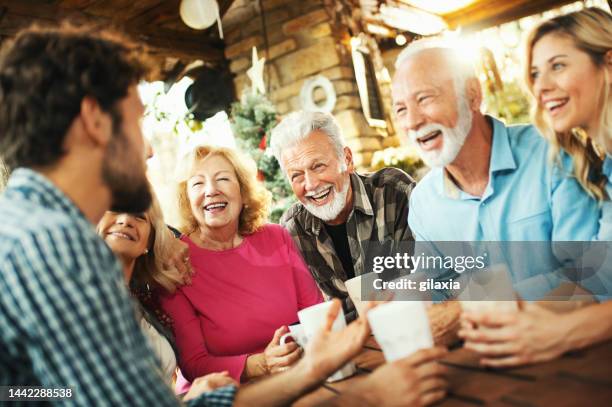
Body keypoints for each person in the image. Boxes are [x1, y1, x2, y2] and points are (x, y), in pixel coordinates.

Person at [0, 22, 448, 407]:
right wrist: (368, 397)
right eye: (136, 121)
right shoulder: (54, 245)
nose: (151, 148)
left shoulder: (27, 228)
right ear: (94, 121)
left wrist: (313, 369)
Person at [459, 7, 612, 367]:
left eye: (557, 65)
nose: (541, 87)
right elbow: (602, 278)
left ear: (608, 63)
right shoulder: (604, 166)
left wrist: (565, 331)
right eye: (535, 73)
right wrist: (510, 315)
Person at [391, 37, 600, 299]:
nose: (412, 121)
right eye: (400, 109)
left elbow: (590, 274)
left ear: (473, 95)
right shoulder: (423, 202)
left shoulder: (552, 153)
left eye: (424, 98)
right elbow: (438, 288)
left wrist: (479, 303)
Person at [161, 145, 324, 387]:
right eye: (197, 184)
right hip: (227, 393)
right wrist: (261, 364)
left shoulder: (276, 237)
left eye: (223, 179)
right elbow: (194, 363)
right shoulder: (177, 261)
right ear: (187, 198)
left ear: (243, 190)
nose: (211, 190)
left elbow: (315, 313)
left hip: (294, 377)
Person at [270, 110, 415, 319]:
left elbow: (427, 279)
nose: (310, 185)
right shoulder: (292, 230)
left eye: (318, 166)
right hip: (349, 346)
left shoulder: (393, 192)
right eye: (297, 175)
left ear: (346, 159)